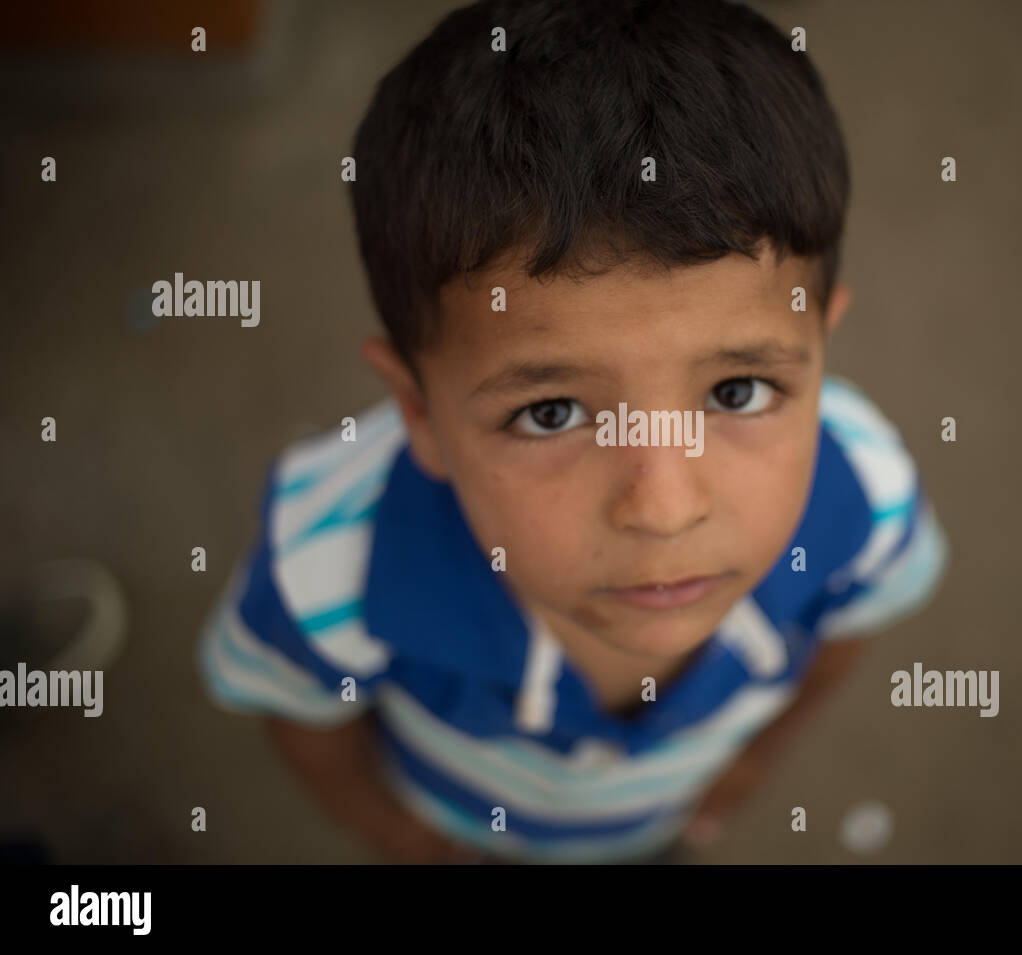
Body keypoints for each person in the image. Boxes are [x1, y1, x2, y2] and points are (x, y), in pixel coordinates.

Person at [197, 0, 948, 864]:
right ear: (418, 412)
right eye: (551, 412)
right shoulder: (326, 566)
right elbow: (299, 713)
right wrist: (407, 841)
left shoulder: (870, 502)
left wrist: (751, 763)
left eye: (739, 390)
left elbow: (851, 630)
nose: (665, 510)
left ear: (820, 351)